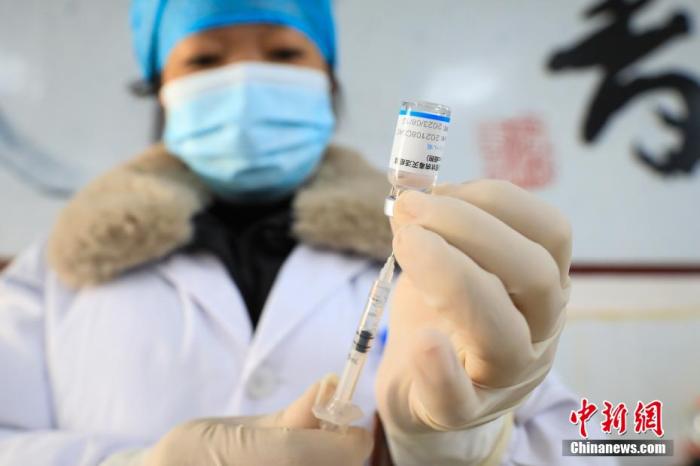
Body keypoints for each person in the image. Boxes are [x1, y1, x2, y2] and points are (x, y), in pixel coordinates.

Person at [0, 1, 616, 465]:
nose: (246, 79)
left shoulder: (425, 250)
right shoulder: (55, 270)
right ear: (160, 89)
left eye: (283, 54)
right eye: (205, 59)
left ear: (329, 79)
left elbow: (597, 448)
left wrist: (468, 446)